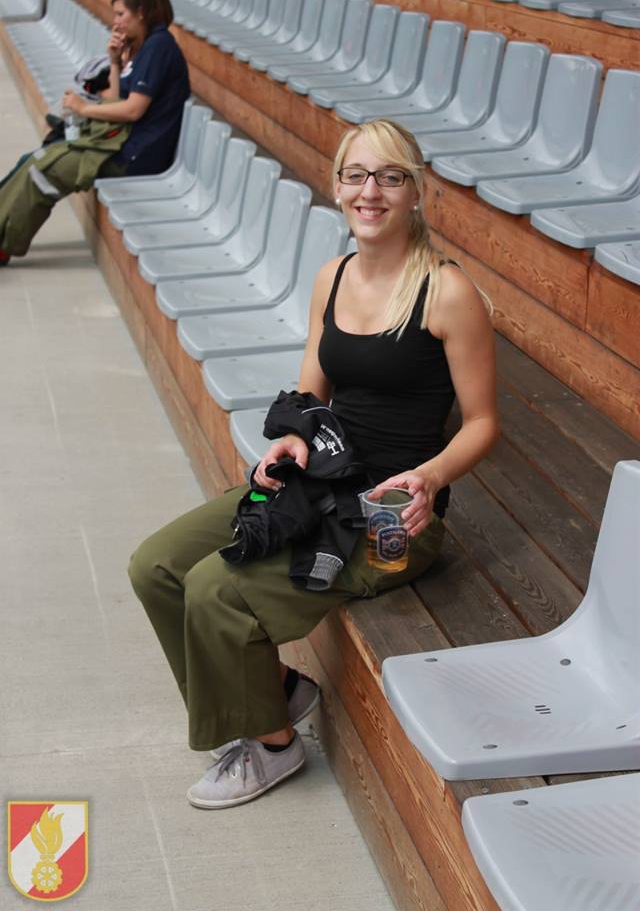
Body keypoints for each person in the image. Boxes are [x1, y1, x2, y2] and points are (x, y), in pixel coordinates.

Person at [128, 119, 500, 810]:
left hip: (392, 518)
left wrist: (432, 477)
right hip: (321, 483)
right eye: (356, 175)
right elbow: (311, 397)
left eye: (390, 177)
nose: (370, 191)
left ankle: (274, 744)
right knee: (156, 566)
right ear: (336, 186)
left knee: (216, 590)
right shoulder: (332, 277)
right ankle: (274, 692)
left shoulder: (448, 292)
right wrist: (294, 439)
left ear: (417, 192)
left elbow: (483, 424)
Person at [0, 0, 189, 266]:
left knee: (44, 171)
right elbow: (115, 100)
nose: (115, 22)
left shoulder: (159, 46)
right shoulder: (144, 46)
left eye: (120, 14)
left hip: (134, 155)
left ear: (141, 12)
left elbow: (133, 110)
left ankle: (5, 245)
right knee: (35, 159)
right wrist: (114, 62)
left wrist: (84, 108)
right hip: (119, 142)